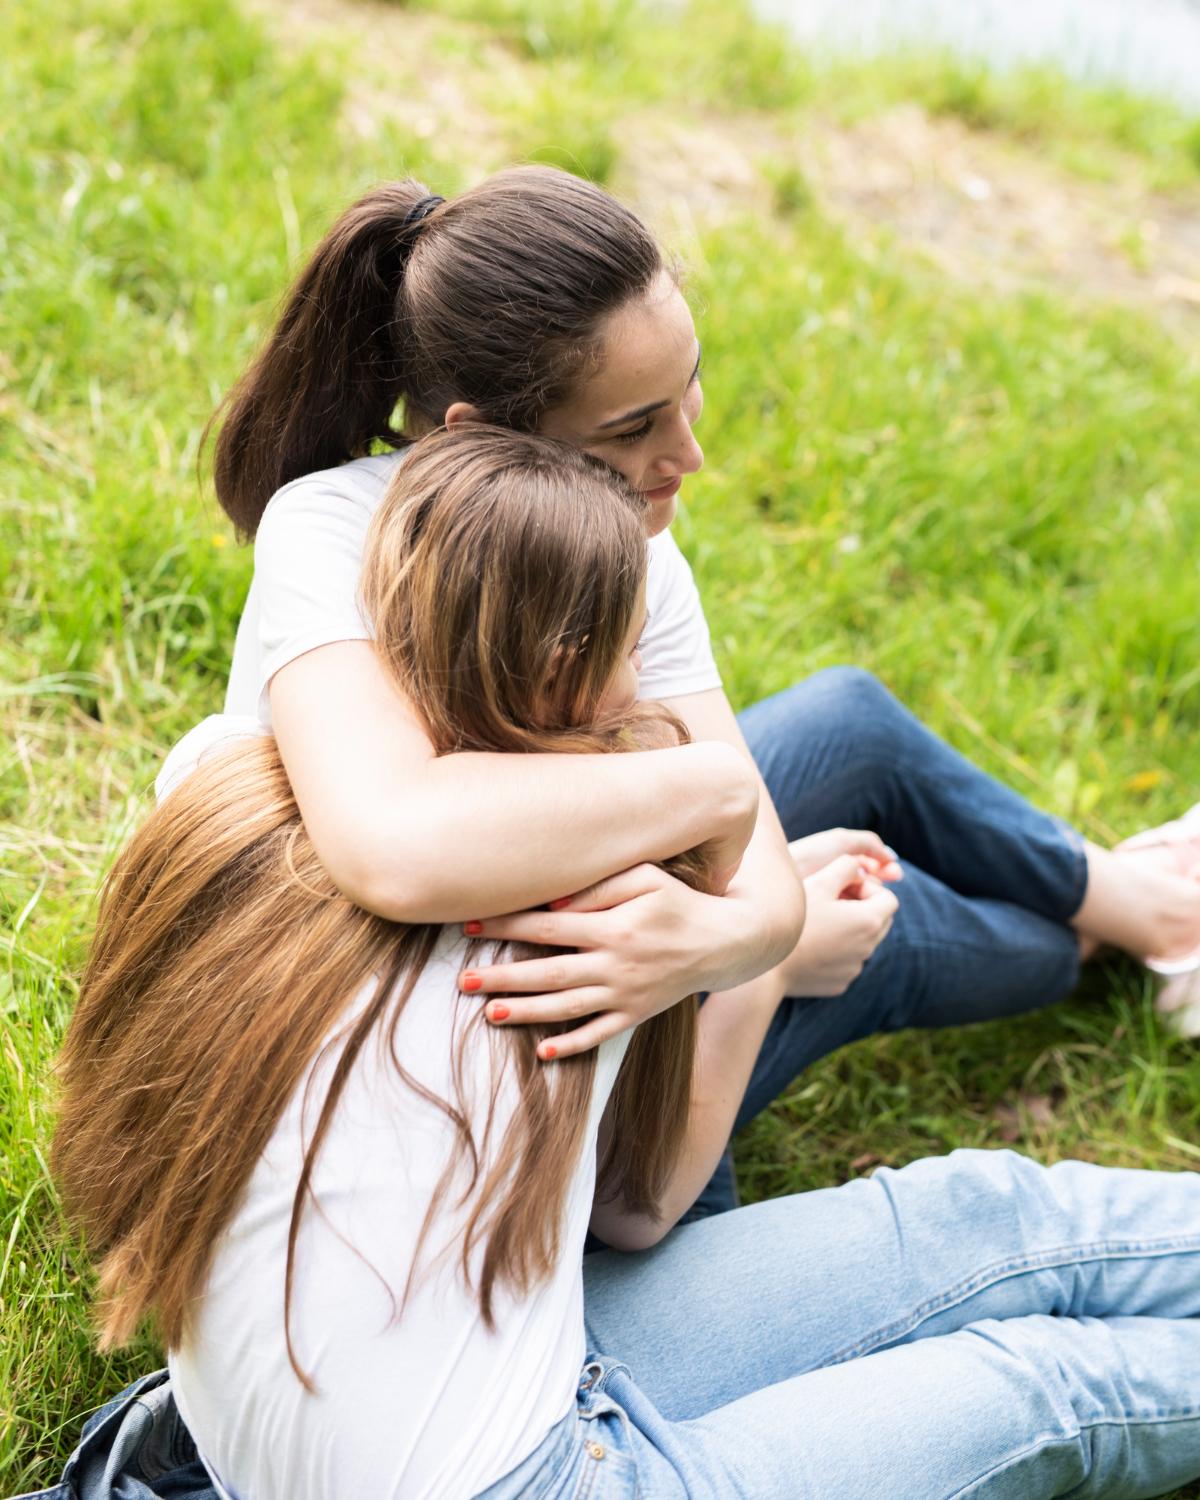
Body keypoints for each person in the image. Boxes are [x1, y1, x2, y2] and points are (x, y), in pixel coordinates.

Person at [52, 426, 1200, 1500]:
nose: (650, 693)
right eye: (630, 652)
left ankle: (1126, 914)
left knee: (983, 1214)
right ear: (562, 666)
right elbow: (646, 1207)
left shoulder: (234, 780)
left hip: (466, 1378)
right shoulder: (569, 910)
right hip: (526, 1484)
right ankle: (1134, 913)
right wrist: (743, 922)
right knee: (1046, 1383)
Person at [193, 163, 1200, 1218]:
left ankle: (1145, 910)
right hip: (500, 1064)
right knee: (876, 923)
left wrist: (722, 937)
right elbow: (394, 846)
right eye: (631, 430)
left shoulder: (628, 550)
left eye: (689, 388)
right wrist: (760, 937)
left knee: (850, 729)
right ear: (476, 434)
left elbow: (753, 876)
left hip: (588, 918)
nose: (690, 454)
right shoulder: (331, 532)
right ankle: (1112, 928)